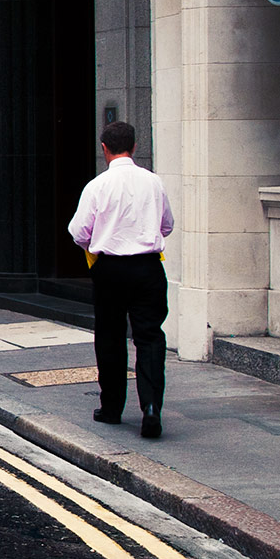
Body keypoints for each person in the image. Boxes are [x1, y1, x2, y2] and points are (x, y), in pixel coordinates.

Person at [69, 118, 174, 437]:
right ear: (134, 146)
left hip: (110, 269)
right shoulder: (153, 182)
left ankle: (112, 408)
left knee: (111, 337)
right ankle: (152, 407)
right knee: (150, 337)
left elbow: (78, 232)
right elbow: (167, 225)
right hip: (148, 267)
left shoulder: (97, 186)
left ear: (104, 149)